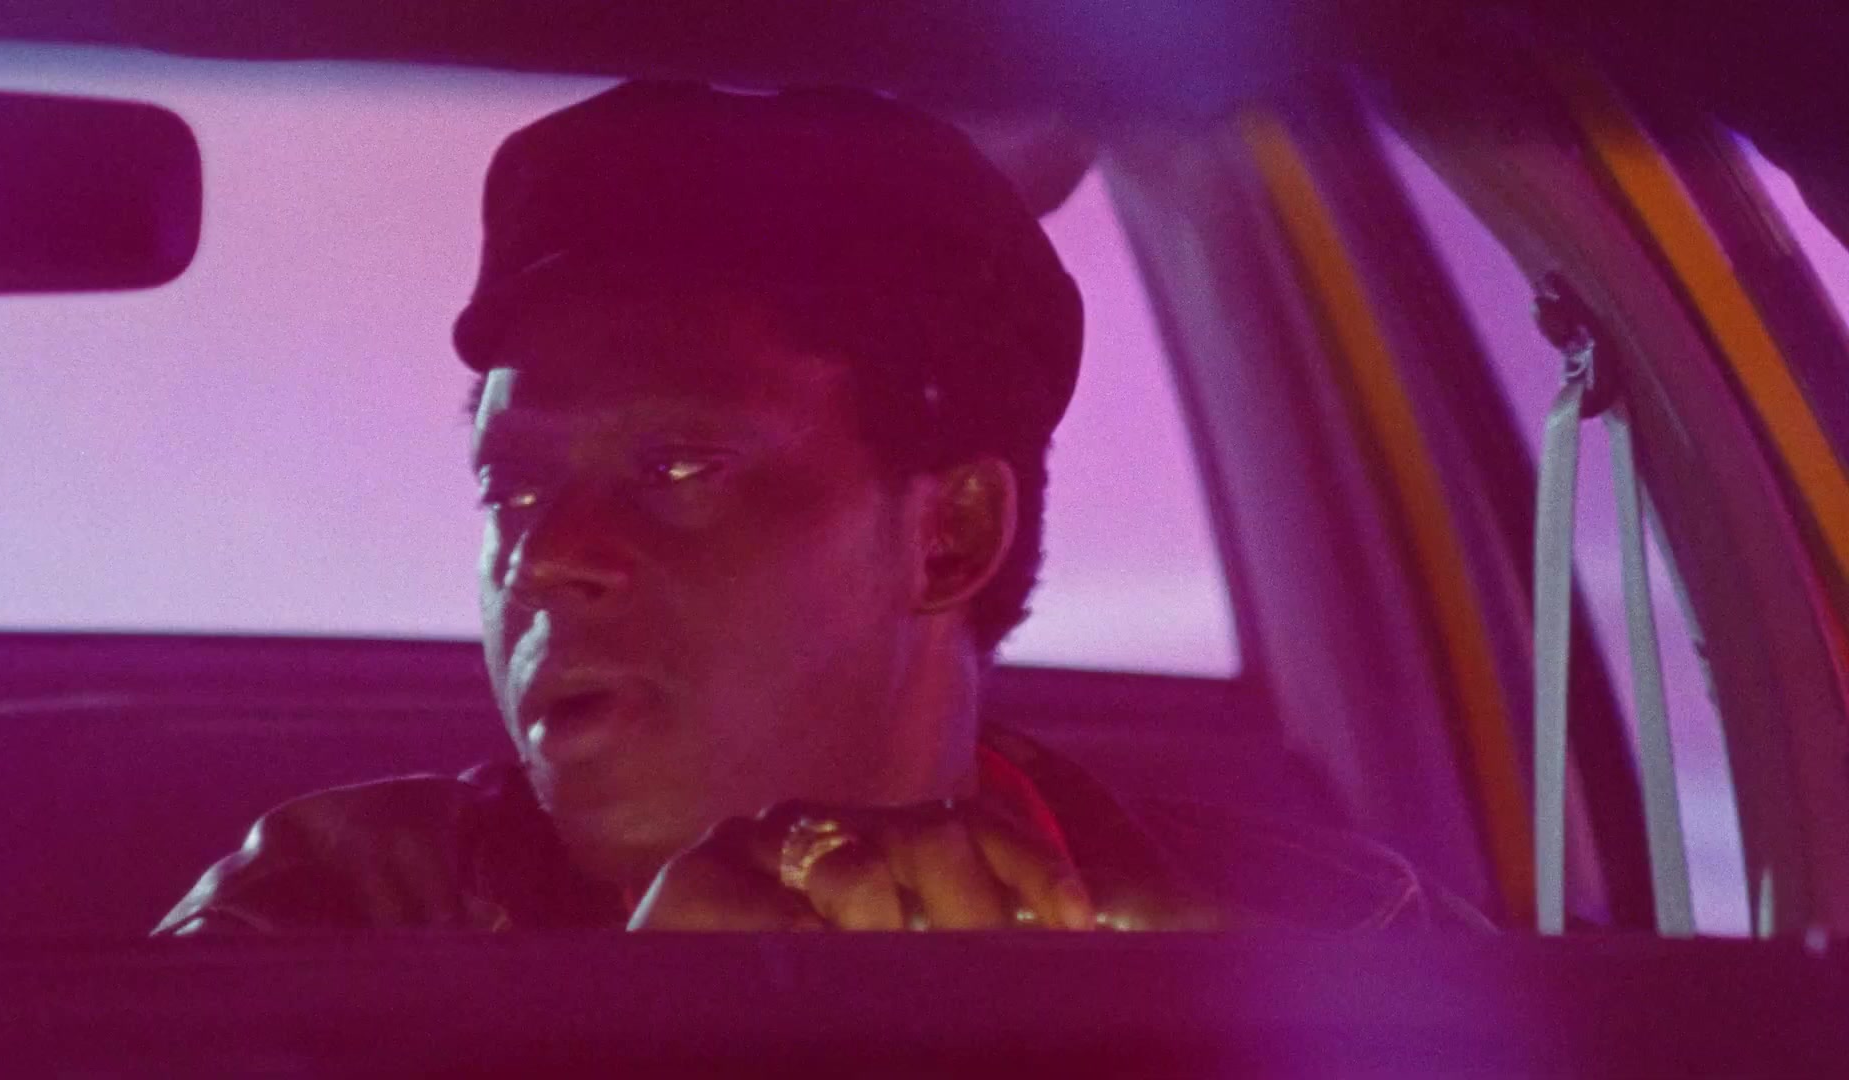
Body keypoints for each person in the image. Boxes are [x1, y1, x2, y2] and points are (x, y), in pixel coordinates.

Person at [158, 81, 1484, 935]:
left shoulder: (1303, 949)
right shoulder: (323, 920)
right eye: (510, 486)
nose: (547, 555)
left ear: (950, 532)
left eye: (678, 468)